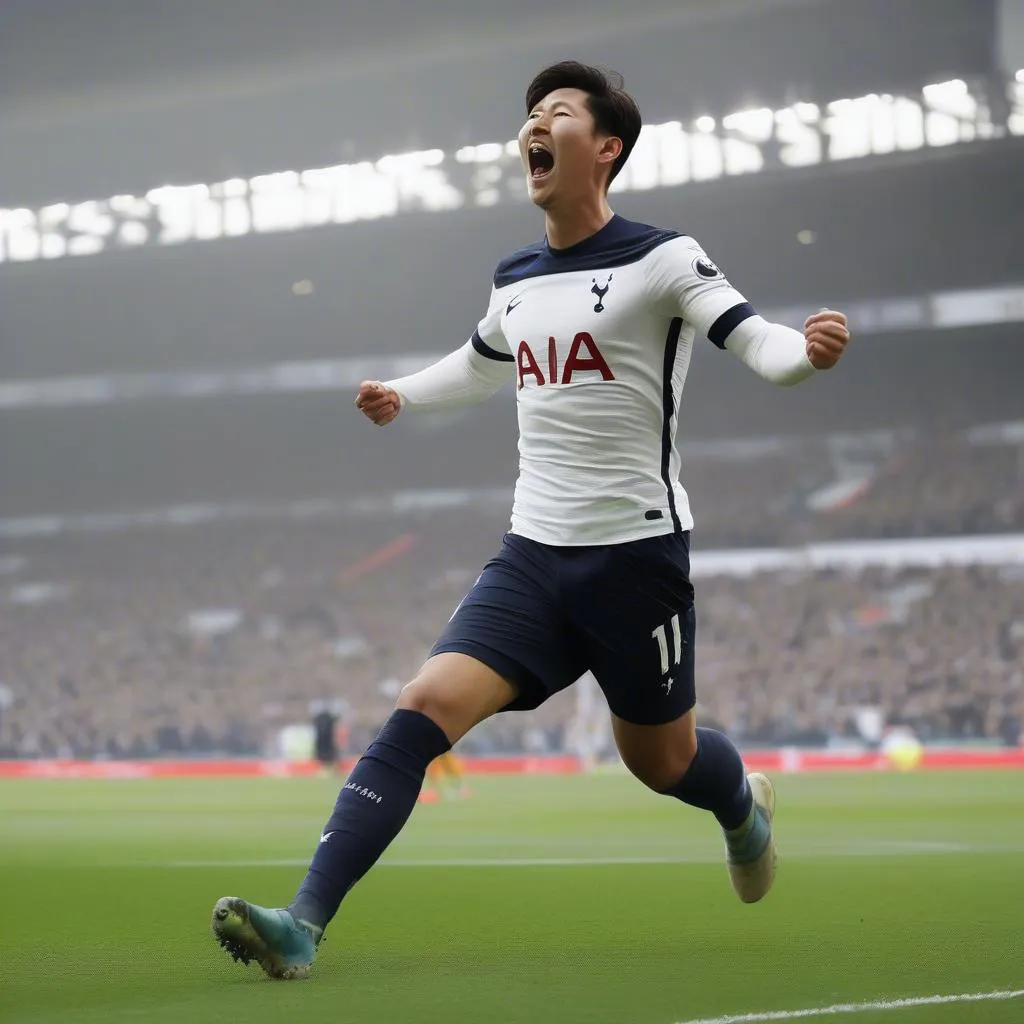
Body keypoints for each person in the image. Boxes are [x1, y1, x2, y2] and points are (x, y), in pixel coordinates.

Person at [211, 60, 850, 979]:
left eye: (556, 113)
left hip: (636, 560)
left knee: (662, 762)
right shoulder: (514, 278)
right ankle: (303, 921)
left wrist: (809, 351)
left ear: (607, 148)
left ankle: (740, 803)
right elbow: (479, 362)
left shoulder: (663, 257)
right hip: (533, 560)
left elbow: (759, 343)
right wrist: (401, 393)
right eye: (529, 116)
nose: (533, 127)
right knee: (421, 706)